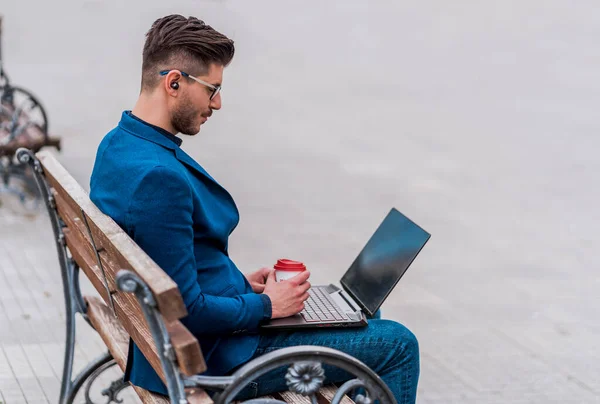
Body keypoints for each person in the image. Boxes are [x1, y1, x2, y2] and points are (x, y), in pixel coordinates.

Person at [89, 14, 419, 403]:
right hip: (215, 359)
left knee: (362, 317)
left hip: (176, 340)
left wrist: (242, 286)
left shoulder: (118, 145)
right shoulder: (158, 178)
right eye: (212, 89)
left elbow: (171, 265)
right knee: (398, 345)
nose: (218, 103)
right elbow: (187, 313)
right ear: (174, 82)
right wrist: (265, 305)